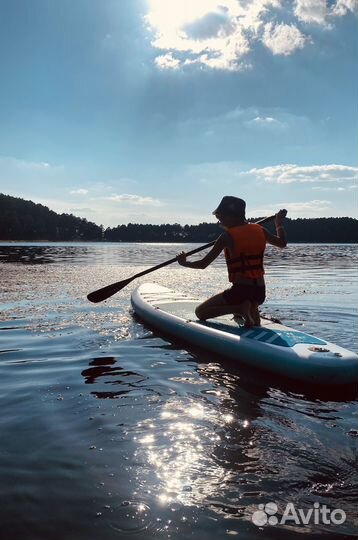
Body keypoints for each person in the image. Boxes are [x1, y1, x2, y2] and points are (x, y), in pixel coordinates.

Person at [177, 196, 287, 327]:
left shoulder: (226, 237)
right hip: (259, 291)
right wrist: (278, 224)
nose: (220, 222)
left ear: (230, 217)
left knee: (200, 312)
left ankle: (239, 309)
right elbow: (282, 243)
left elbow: (203, 264)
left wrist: (184, 263)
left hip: (241, 290)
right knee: (255, 322)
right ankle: (249, 311)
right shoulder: (260, 230)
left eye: (220, 218)